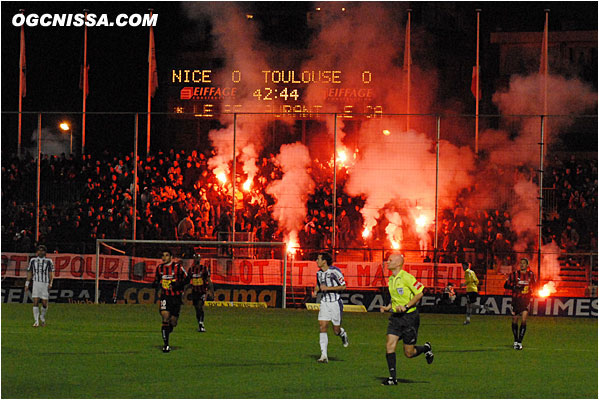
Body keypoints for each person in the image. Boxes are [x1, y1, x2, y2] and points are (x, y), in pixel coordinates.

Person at [379, 253, 433, 385]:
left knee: (409, 353)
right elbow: (395, 299)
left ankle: (425, 348)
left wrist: (406, 306)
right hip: (396, 318)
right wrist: (388, 307)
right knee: (389, 345)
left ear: (398, 263)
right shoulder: (391, 279)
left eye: (390, 260)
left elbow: (420, 293)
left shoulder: (406, 277)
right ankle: (393, 378)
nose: (387, 262)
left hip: (410, 318)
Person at [311, 252, 349, 363]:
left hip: (335, 303)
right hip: (324, 302)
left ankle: (342, 334)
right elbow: (319, 285)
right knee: (322, 326)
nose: (316, 261)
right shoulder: (319, 273)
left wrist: (328, 288)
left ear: (324, 261)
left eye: (318, 259)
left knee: (335, 330)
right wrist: (315, 291)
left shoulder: (335, 272)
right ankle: (324, 355)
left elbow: (343, 286)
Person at [153, 249, 188, 353]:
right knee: (165, 317)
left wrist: (178, 285)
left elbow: (187, 279)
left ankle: (168, 330)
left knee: (173, 322)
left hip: (176, 298)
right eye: (163, 255)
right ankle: (166, 345)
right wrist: (155, 284)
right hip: (165, 297)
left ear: (171, 257)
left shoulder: (178, 267)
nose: (164, 257)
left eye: (166, 255)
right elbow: (157, 279)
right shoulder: (159, 268)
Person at [504, 258, 536, 350]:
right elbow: (505, 285)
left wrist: (531, 290)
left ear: (527, 265)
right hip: (516, 300)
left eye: (524, 263)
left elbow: (535, 285)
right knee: (514, 319)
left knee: (524, 319)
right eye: (520, 263)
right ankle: (515, 340)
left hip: (525, 300)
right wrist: (514, 287)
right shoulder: (514, 275)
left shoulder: (531, 275)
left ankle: (519, 342)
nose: (522, 265)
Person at [24, 245, 54, 327]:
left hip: (45, 283)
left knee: (44, 303)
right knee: (35, 302)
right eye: (39, 250)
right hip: (36, 283)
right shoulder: (33, 261)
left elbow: (51, 273)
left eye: (42, 250)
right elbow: (30, 272)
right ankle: (36, 321)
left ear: (45, 252)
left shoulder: (49, 261)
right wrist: (27, 283)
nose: (41, 252)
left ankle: (42, 317)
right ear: (37, 252)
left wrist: (51, 283)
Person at [188, 252, 214, 332]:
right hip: (194, 291)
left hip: (202, 291)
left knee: (200, 306)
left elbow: (208, 280)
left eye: (197, 258)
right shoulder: (191, 270)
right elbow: (188, 281)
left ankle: (201, 323)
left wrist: (211, 291)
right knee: (197, 308)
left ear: (200, 259)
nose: (196, 260)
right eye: (195, 258)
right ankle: (199, 323)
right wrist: (184, 291)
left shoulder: (204, 269)